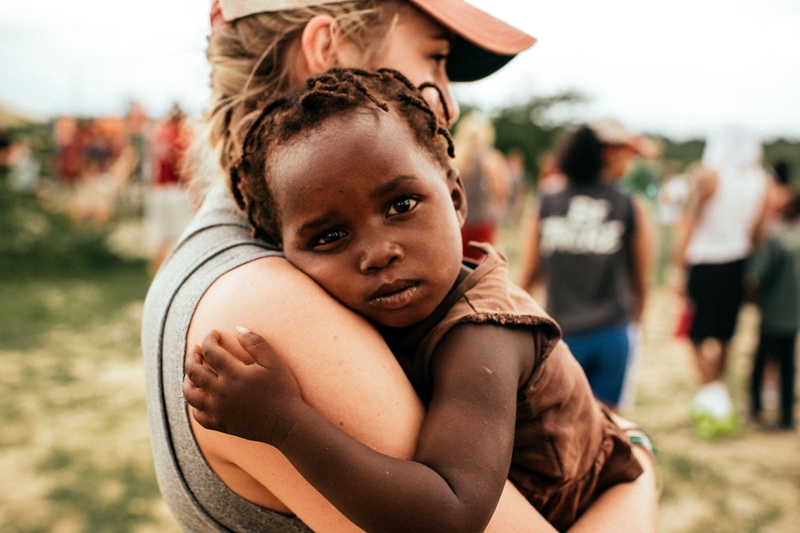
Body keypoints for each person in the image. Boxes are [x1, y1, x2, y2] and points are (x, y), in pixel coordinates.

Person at [141, 1, 658, 531]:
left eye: (402, 206)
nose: (450, 104)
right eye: (434, 59)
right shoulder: (260, 301)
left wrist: (630, 461)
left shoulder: (477, 327)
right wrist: (639, 467)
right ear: (328, 52)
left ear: (455, 198)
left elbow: (450, 509)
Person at [518, 120, 651, 411]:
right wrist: (636, 325)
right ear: (605, 156)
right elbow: (641, 279)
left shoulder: (547, 202)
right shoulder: (627, 204)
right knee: (604, 430)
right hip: (612, 332)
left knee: (560, 429)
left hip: (560, 335)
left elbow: (529, 273)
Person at [674, 125, 768, 439]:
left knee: (695, 332)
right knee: (726, 332)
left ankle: (712, 391)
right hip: (737, 261)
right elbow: (757, 230)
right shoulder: (760, 180)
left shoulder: (709, 175)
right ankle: (717, 394)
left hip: (704, 261)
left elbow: (689, 221)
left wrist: (678, 266)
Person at [745, 193, 800, 430]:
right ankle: (786, 416)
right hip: (794, 314)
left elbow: (756, 277)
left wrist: (753, 297)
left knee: (761, 362)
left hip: (773, 313)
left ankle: (755, 408)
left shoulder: (776, 240)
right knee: (788, 364)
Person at [452, 113, 511, 261]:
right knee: (481, 269)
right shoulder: (491, 159)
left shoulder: (453, 158)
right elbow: (502, 192)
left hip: (456, 223)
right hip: (482, 223)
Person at [146, 104, 194, 272]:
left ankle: (155, 283)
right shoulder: (181, 136)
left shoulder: (158, 135)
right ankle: (176, 278)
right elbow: (183, 166)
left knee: (160, 240)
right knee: (180, 239)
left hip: (157, 190)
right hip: (176, 191)